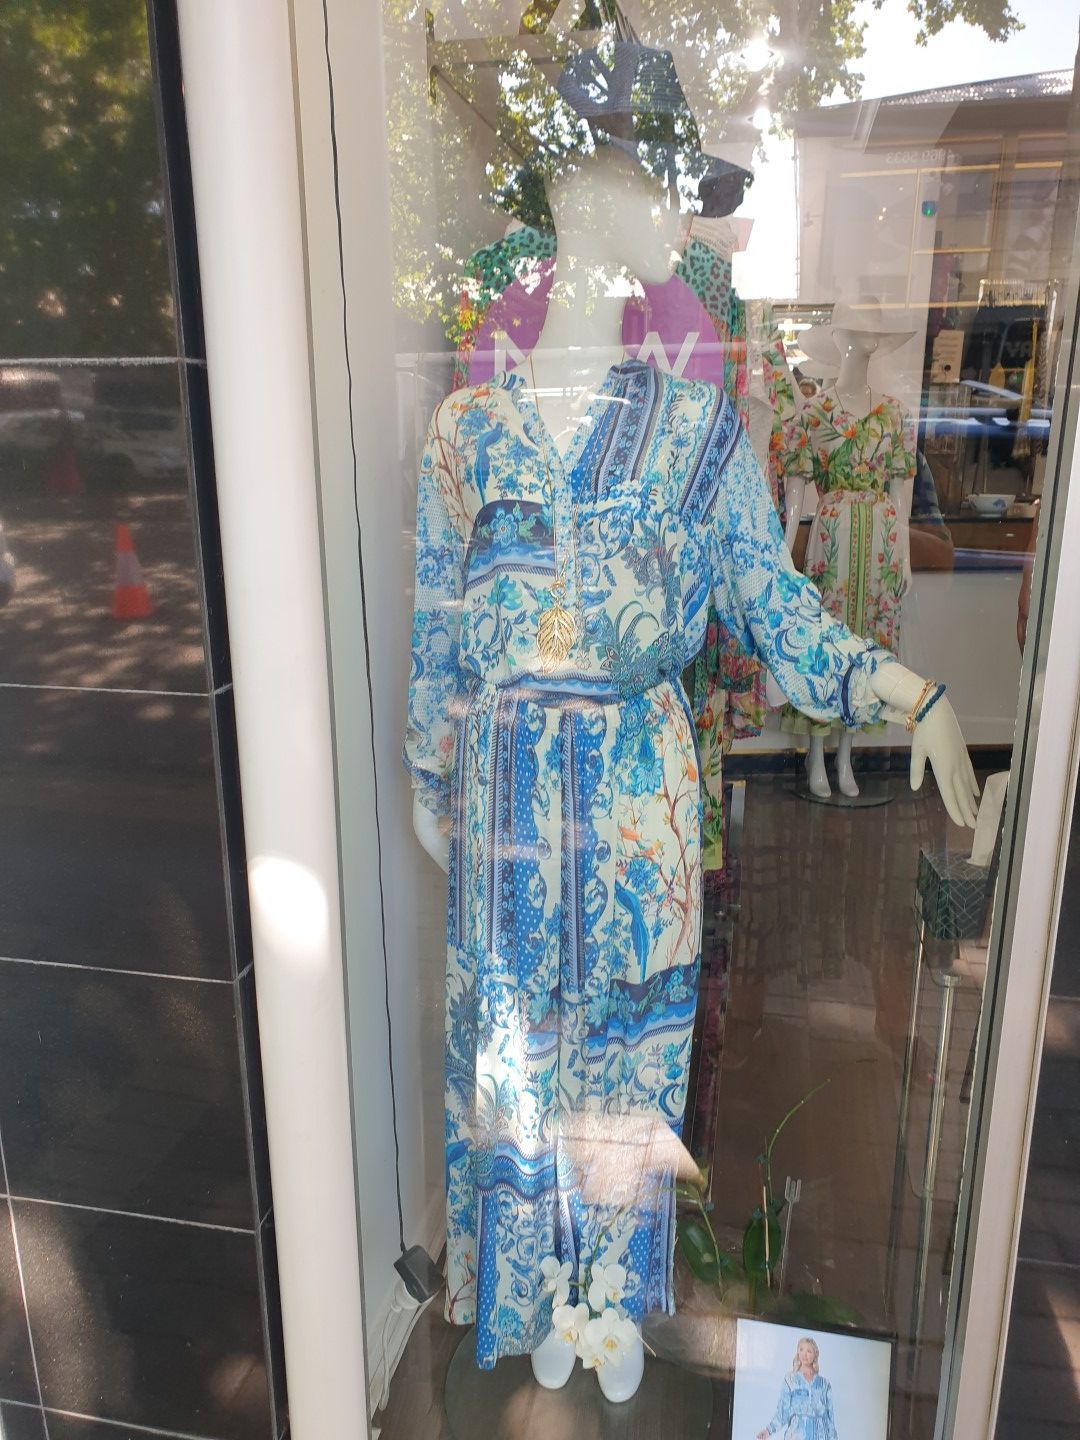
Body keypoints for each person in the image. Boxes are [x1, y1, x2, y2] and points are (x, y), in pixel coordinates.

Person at [757, 1336, 839, 1440]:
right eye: (801, 1349)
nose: (804, 1354)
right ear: (798, 1352)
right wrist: (768, 1430)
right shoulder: (790, 1380)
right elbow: (783, 1411)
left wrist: (833, 1438)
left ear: (815, 1354)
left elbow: (829, 1418)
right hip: (796, 1435)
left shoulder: (824, 1384)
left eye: (809, 1351)